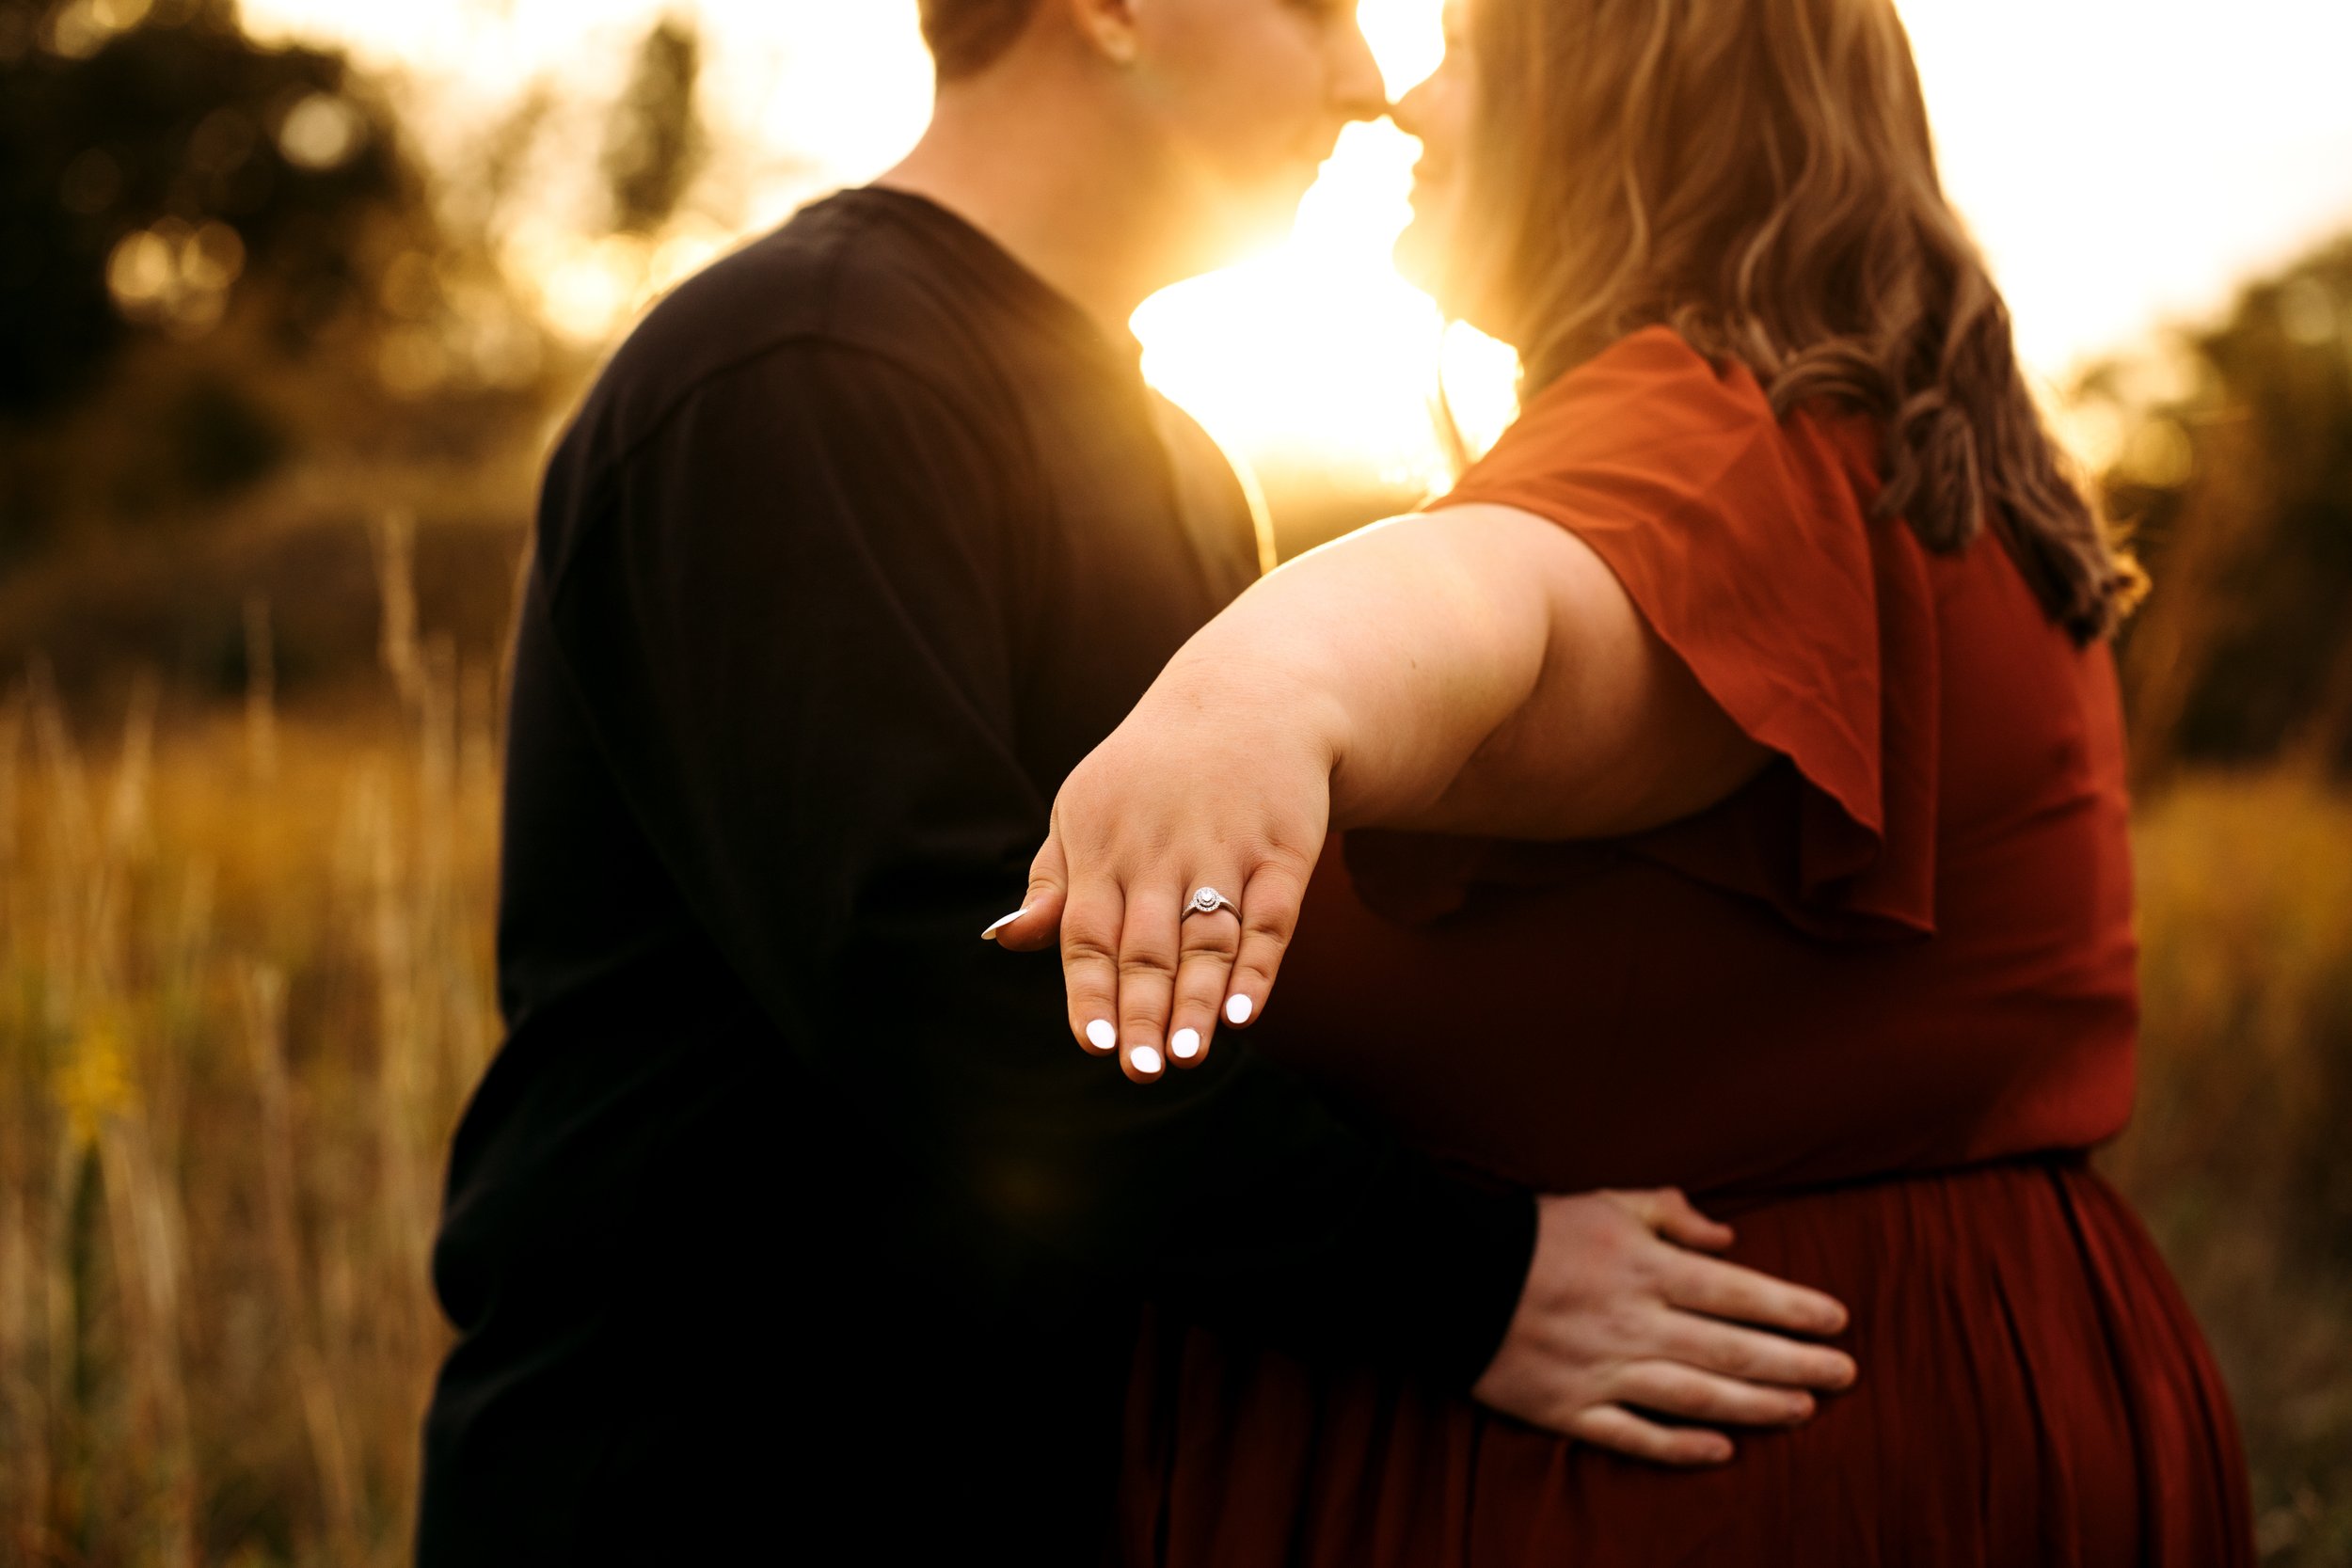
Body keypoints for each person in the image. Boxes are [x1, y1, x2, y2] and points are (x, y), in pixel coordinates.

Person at [414, 2, 1856, 1561]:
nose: (1367, 84)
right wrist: (1465, 1282)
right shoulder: (803, 371)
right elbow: (940, 985)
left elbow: (1212, 945)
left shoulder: (1167, 447)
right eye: (1313, 8)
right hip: (709, 1487)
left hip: (1010, 1486)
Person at [993, 0, 2260, 1560]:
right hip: (1897, 1389)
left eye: (1462, 49)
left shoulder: (1717, 441)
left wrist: (1254, 696)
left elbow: (1501, 605)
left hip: (1705, 1475)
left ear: (1606, 98)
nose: (1406, 103)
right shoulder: (1860, 435)